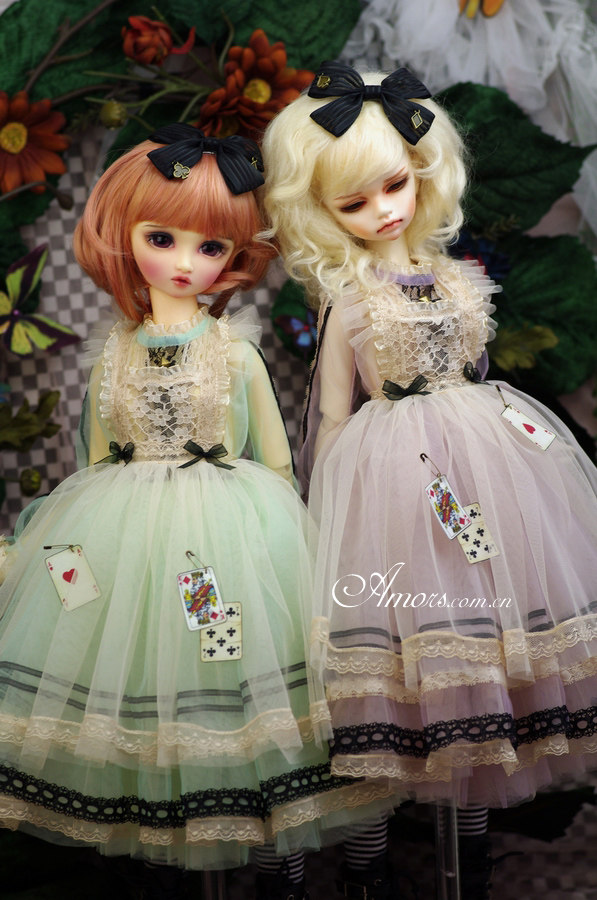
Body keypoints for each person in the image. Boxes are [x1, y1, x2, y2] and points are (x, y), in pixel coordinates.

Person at [0, 126, 393, 898]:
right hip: (128, 539)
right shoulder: (112, 355)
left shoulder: (235, 352)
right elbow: (94, 461)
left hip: (235, 536)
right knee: (151, 698)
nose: (185, 262)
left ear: (234, 256)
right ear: (124, 238)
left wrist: (283, 546)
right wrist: (74, 561)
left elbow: (274, 461)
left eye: (210, 247)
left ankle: (289, 867)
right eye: (162, 238)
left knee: (263, 699)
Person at [262, 62, 597, 899]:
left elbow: (476, 372)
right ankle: (369, 870)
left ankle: (469, 861)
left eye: (394, 185)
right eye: (355, 202)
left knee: (481, 671)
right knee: (402, 671)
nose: (384, 210)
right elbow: (329, 414)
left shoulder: (457, 277)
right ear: (322, 212)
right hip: (391, 482)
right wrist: (327, 512)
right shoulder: (348, 297)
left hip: (485, 464)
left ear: (423, 173)